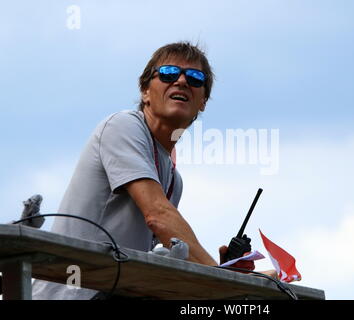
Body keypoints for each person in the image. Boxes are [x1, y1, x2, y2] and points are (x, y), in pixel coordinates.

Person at [32, 42, 261, 300]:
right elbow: (158, 216)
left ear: (203, 102)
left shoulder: (174, 179)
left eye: (195, 78)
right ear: (145, 91)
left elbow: (167, 248)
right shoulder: (123, 126)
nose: (182, 81)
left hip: (115, 288)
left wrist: (226, 272)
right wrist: (221, 280)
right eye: (168, 73)